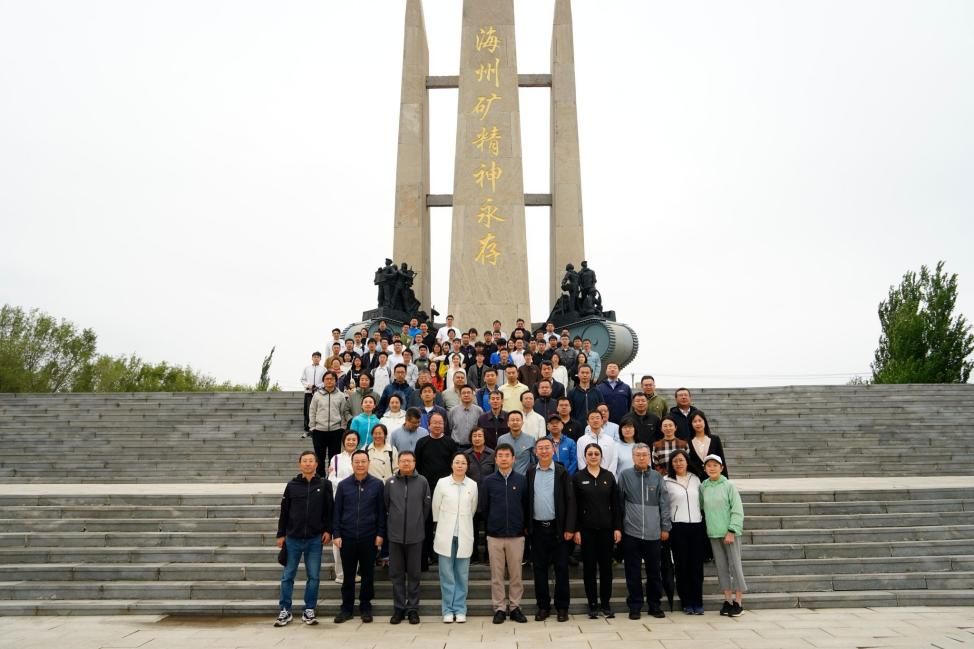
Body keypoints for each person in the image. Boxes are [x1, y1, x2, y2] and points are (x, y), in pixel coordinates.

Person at [273, 450, 333, 627]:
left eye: (311, 461)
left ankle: (309, 609)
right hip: (293, 538)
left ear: (316, 464)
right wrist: (281, 534)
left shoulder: (325, 484)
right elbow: (284, 511)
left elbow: (329, 510)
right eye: (304, 461)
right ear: (300, 464)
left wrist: (328, 530)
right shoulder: (292, 485)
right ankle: (285, 610)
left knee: (313, 576)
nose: (308, 463)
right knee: (287, 576)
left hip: (315, 538)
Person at [618, 443, 671, 619]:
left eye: (644, 455)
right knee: (632, 572)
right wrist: (621, 526)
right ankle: (635, 606)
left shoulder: (657, 477)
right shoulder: (625, 476)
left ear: (649, 457)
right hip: (631, 532)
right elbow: (619, 503)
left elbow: (664, 503)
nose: (641, 458)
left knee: (654, 572)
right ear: (633, 457)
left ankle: (655, 605)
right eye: (638, 455)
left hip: (653, 533)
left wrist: (665, 527)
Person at [526, 437, 576, 622]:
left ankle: (562, 607)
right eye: (540, 448)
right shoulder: (530, 471)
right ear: (535, 452)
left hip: (558, 529)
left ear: (553, 450)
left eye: (547, 447)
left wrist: (569, 527)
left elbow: (571, 501)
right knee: (539, 570)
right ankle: (543, 607)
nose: (544, 451)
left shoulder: (562, 472)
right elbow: (527, 499)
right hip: (537, 529)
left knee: (561, 569)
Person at [333, 449, 386, 624]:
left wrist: (380, 533)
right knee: (348, 575)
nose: (360, 465)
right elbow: (337, 511)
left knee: (368, 574)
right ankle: (346, 608)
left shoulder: (377, 485)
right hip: (347, 536)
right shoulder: (343, 485)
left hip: (369, 536)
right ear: (352, 464)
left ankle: (365, 607)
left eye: (363, 461)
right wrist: (336, 533)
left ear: (368, 463)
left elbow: (381, 512)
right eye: (357, 462)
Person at [480, 443, 529, 624]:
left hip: (516, 535)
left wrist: (522, 526)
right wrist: (492, 525)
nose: (503, 459)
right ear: (496, 459)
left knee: (516, 575)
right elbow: (484, 508)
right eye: (500, 455)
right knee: (497, 575)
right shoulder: (488, 481)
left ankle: (515, 607)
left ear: (513, 459)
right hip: (495, 535)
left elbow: (526, 505)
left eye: (507, 455)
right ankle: (499, 608)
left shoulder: (522, 480)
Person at [572, 443, 622, 619]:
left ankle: (606, 604)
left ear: (601, 457)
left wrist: (617, 527)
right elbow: (575, 506)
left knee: (607, 568)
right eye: (590, 454)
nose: (593, 456)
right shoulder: (578, 477)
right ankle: (592, 604)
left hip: (607, 530)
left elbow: (616, 505)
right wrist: (576, 530)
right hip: (587, 531)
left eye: (596, 454)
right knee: (589, 569)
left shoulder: (609, 476)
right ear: (585, 457)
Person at [383, 451, 432, 625]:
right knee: (396, 574)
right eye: (403, 461)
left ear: (414, 463)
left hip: (415, 536)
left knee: (414, 574)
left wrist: (416, 522)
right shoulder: (390, 482)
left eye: (409, 461)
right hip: (395, 536)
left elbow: (426, 507)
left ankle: (412, 609)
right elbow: (387, 505)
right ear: (398, 462)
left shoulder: (422, 481)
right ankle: (398, 608)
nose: (406, 464)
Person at [432, 452, 479, 623]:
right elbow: (436, 508)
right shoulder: (442, 483)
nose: (460, 465)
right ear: (451, 464)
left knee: (462, 574)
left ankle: (460, 609)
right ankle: (447, 610)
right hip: (446, 534)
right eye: (457, 462)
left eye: (463, 463)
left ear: (467, 466)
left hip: (464, 534)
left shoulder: (472, 485)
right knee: (446, 575)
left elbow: (472, 509)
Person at [699, 454, 746, 617]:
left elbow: (737, 509)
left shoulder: (729, 485)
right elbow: (702, 507)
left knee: (735, 566)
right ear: (704, 469)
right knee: (721, 567)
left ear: (722, 468)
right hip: (714, 534)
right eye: (708, 466)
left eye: (715, 465)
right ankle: (728, 601)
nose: (711, 468)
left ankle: (738, 602)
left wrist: (732, 530)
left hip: (729, 533)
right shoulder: (703, 486)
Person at [663, 450, 707, 615]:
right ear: (671, 464)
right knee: (682, 565)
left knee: (696, 566)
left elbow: (701, 501)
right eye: (675, 461)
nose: (678, 463)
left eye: (681, 460)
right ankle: (686, 602)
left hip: (696, 525)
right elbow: (664, 506)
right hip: (677, 527)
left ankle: (698, 601)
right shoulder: (666, 481)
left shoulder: (696, 479)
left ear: (687, 461)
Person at [415, 412, 458, 569]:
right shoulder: (422, 443)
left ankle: (444, 556)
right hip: (426, 489)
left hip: (447, 489)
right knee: (426, 523)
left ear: (444, 425)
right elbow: (418, 466)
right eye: (435, 423)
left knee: (445, 523)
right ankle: (426, 556)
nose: (438, 425)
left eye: (440, 423)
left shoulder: (450, 443)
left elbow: (454, 466)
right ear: (428, 425)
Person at [327, 431, 360, 584]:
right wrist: (349, 483)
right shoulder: (336, 458)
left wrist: (345, 482)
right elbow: (331, 479)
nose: (351, 442)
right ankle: (340, 574)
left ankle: (353, 572)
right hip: (339, 501)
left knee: (356, 538)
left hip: (358, 501)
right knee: (338, 538)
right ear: (343, 441)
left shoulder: (361, 457)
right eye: (348, 439)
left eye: (354, 439)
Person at [308, 371, 352, 474]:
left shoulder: (340, 395)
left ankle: (332, 478)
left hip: (336, 431)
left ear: (335, 381)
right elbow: (312, 411)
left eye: (332, 379)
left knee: (334, 457)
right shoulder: (317, 395)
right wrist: (312, 427)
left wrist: (343, 427)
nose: (329, 381)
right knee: (319, 457)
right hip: (319, 430)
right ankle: (320, 478)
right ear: (323, 381)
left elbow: (343, 412)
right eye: (327, 379)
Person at [463, 427, 495, 564]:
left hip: (489, 497)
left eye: (479, 435)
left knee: (489, 529)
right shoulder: (465, 454)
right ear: (471, 438)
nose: (477, 438)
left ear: (484, 438)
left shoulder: (492, 454)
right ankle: (473, 556)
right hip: (470, 497)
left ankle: (489, 556)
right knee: (471, 529)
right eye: (474, 436)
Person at [575, 410, 619, 476]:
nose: (595, 420)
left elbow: (614, 460)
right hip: (587, 477)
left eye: (597, 418)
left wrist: (608, 476)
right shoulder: (581, 440)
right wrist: (586, 476)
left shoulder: (610, 440)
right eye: (592, 418)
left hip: (607, 477)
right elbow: (580, 460)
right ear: (588, 422)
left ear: (602, 421)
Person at [686, 411, 729, 479]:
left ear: (704, 422)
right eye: (695, 421)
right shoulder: (688, 442)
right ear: (691, 424)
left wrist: (725, 479)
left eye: (700, 420)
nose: (698, 423)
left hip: (713, 478)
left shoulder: (715, 439)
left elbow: (721, 459)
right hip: (695, 479)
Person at [496, 411, 535, 476]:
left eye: (518, 420)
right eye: (512, 420)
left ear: (522, 423)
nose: (515, 422)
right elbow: (497, 461)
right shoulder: (501, 439)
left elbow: (533, 462)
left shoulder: (531, 439)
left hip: (524, 478)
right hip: (505, 478)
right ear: (508, 423)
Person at [300, 352, 324, 435]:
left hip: (319, 393)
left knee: (318, 410)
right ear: (312, 358)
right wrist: (309, 385)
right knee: (308, 410)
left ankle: (317, 428)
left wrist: (318, 386)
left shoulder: (323, 369)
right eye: (314, 357)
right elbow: (302, 379)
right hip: (308, 392)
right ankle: (307, 428)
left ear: (320, 359)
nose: (316, 358)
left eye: (318, 357)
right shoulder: (307, 368)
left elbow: (325, 381)